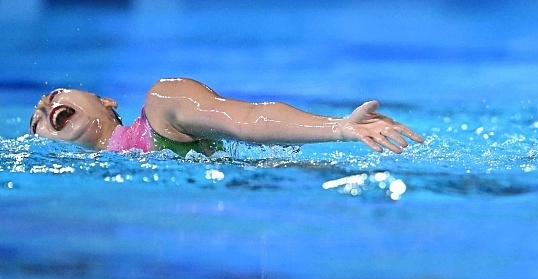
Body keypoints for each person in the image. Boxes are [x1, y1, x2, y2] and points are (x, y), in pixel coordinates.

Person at [28, 78, 423, 155]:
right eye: (37, 121)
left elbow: (245, 120)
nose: (46, 109)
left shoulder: (162, 104)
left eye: (54, 96)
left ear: (106, 101)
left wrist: (339, 128)